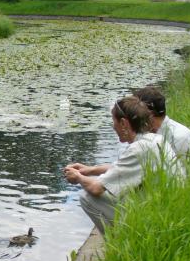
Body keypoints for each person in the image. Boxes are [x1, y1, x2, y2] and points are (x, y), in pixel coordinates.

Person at [64, 96, 182, 234]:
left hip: (158, 215)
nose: (113, 126)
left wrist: (77, 177)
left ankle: (120, 243)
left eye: (114, 121)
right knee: (121, 190)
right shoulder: (155, 139)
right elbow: (121, 168)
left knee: (87, 197)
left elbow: (96, 188)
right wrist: (89, 170)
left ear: (124, 123)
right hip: (171, 209)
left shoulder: (140, 148)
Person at [133, 86, 190, 166]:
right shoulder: (153, 133)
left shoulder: (178, 137)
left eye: (136, 113)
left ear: (149, 114)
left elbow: (183, 174)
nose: (134, 117)